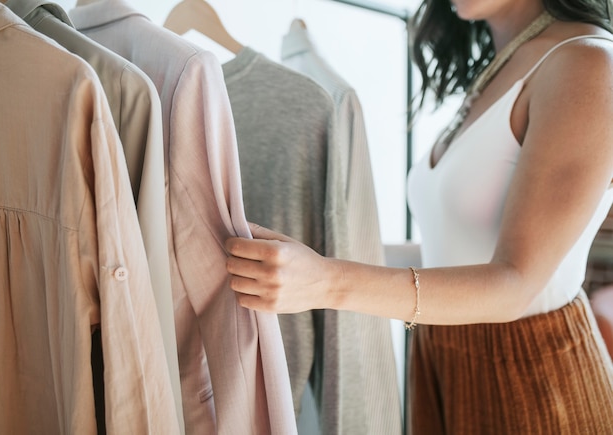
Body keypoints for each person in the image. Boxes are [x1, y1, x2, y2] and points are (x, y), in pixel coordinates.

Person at [226, 0, 613, 432]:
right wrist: (314, 247)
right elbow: (455, 249)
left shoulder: (589, 63)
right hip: (442, 357)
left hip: (535, 376)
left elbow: (515, 284)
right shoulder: (505, 61)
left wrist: (327, 281)